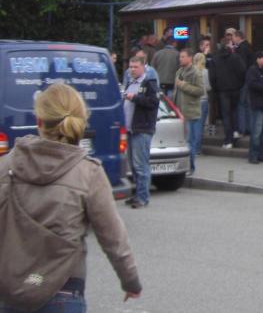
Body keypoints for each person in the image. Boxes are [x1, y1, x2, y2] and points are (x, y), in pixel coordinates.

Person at [0, 84, 142, 310]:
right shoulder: (88, 173)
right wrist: (131, 281)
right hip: (63, 290)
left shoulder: (6, 165)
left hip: (11, 291)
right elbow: (113, 238)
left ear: (39, 121)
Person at [122, 56, 158, 209]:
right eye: (131, 66)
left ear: (144, 67)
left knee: (141, 165)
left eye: (136, 67)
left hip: (142, 129)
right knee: (133, 165)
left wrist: (135, 98)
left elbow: (153, 102)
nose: (132, 69)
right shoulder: (130, 83)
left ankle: (143, 197)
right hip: (130, 130)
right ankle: (137, 194)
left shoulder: (149, 83)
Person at [173, 48, 205, 174]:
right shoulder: (179, 72)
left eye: (183, 57)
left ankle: (191, 167)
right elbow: (176, 91)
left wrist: (182, 85)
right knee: (181, 142)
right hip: (179, 112)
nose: (180, 59)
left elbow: (200, 91)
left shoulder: (196, 73)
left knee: (189, 141)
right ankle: (182, 166)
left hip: (190, 113)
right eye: (180, 57)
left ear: (190, 58)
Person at [215, 36, 247, 149]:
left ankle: (228, 138)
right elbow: (243, 71)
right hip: (235, 89)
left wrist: (217, 88)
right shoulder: (235, 57)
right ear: (228, 45)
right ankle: (234, 132)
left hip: (222, 90)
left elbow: (212, 77)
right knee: (234, 112)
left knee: (226, 115)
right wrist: (239, 84)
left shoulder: (216, 59)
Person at [246, 52, 263, 164]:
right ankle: (253, 155)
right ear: (258, 59)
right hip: (257, 104)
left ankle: (261, 153)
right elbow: (252, 85)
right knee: (257, 131)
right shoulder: (252, 70)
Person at [192, 51, 210, 164]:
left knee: (193, 125)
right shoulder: (205, 72)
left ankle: (192, 147)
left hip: (193, 101)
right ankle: (197, 149)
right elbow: (208, 87)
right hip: (203, 100)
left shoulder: (190, 71)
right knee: (200, 125)